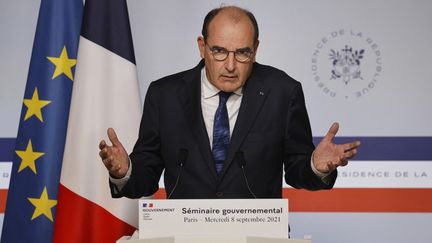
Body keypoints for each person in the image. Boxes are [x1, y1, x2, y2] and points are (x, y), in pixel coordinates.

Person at [99, 6, 360, 199]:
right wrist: (125, 171)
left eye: (243, 53)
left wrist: (315, 166)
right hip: (185, 234)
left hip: (257, 234)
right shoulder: (164, 95)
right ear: (203, 47)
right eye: (220, 51)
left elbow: (296, 171)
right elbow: (146, 174)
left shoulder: (283, 92)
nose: (231, 65)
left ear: (255, 49)